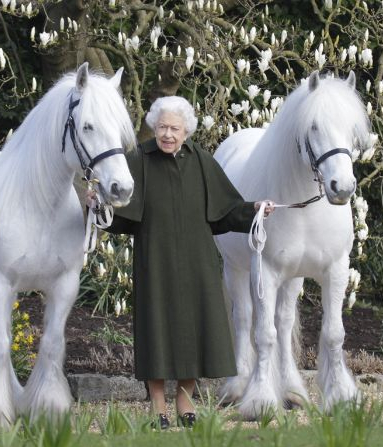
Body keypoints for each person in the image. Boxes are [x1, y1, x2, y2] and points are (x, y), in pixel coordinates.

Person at [93, 96, 274, 429]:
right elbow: (121, 218)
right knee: (156, 331)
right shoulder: (138, 160)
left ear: (187, 130)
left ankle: (185, 401)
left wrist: (255, 209)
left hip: (198, 262)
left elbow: (226, 211)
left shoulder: (203, 162)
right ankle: (158, 406)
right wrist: (99, 207)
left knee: (196, 330)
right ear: (153, 127)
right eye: (162, 127)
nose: (167, 134)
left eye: (174, 128)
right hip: (155, 262)